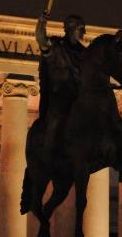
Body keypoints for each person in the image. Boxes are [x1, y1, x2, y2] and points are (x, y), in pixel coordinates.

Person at [35, 13, 86, 161]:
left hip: (76, 97)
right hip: (57, 95)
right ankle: (46, 152)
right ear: (72, 29)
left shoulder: (84, 53)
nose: (83, 33)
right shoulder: (57, 46)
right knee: (56, 117)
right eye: (81, 29)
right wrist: (41, 24)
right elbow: (41, 40)